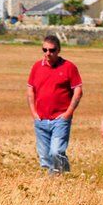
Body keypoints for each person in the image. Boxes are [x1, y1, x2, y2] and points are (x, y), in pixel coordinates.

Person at [27, 35, 82, 174]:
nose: (48, 53)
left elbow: (78, 90)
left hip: (60, 118)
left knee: (57, 151)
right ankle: (52, 182)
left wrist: (68, 113)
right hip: (41, 119)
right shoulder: (36, 67)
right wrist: (34, 113)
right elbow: (30, 90)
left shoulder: (69, 67)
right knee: (45, 156)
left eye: (51, 50)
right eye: (44, 50)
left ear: (58, 50)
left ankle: (63, 177)